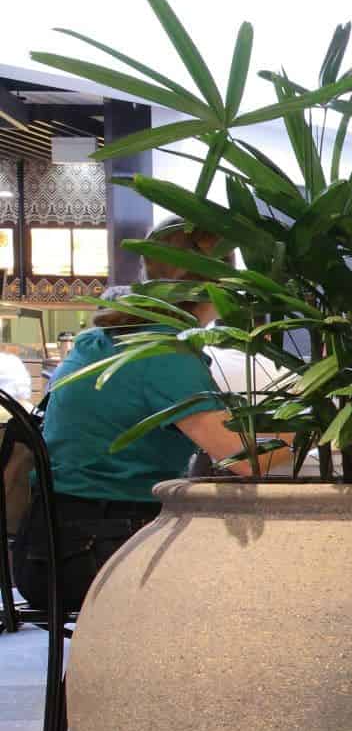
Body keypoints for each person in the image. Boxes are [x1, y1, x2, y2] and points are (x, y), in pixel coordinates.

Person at [13, 224, 290, 613]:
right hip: (99, 550)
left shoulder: (106, 335)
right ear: (218, 284)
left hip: (47, 545)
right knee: (259, 583)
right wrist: (311, 427)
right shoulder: (164, 352)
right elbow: (244, 458)